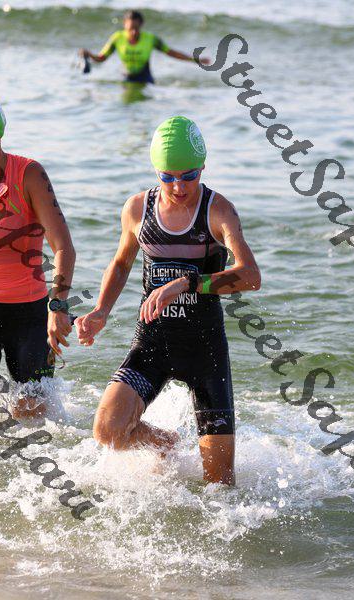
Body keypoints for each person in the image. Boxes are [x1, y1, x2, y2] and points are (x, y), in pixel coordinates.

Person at [76, 116, 261, 485]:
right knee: (107, 431)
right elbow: (121, 262)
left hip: (205, 352)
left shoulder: (218, 211)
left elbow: (250, 276)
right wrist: (101, 310)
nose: (178, 186)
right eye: (168, 176)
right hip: (153, 344)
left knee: (220, 486)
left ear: (202, 167)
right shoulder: (137, 209)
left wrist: (186, 283)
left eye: (188, 176)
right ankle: (164, 443)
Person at [0, 93, 75, 421]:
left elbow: (63, 247)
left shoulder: (29, 174)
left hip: (28, 314)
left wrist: (58, 306)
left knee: (32, 418)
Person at [80, 10, 209, 84]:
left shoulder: (150, 39)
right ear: (124, 25)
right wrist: (89, 54)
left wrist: (195, 60)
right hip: (126, 78)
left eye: (136, 28)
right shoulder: (117, 38)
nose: (133, 32)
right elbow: (101, 58)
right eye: (130, 29)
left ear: (141, 25)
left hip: (146, 78)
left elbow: (171, 53)